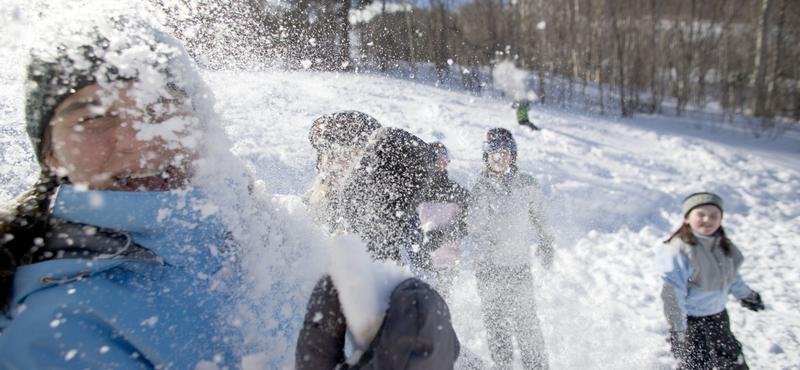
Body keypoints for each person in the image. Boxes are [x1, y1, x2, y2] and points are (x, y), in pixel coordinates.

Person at [0, 15, 320, 369]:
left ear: (202, 124)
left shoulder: (260, 228)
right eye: (94, 118)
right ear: (50, 153)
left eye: (160, 107)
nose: (139, 140)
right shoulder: (54, 334)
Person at [296, 128, 460, 369]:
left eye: (353, 155)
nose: (338, 163)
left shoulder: (401, 293)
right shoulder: (304, 220)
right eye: (330, 153)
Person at [468, 128, 554, 370]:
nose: (500, 158)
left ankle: (537, 366)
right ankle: (503, 366)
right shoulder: (480, 190)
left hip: (519, 266)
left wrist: (546, 241)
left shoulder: (527, 184)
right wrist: (486, 264)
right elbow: (476, 232)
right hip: (490, 270)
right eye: (494, 154)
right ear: (486, 157)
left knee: (527, 322)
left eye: (505, 153)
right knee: (496, 324)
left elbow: (540, 216)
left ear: (513, 156)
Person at [656, 192, 765, 370]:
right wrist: (677, 328)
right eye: (701, 214)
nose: (708, 219)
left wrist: (746, 294)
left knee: (732, 359)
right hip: (691, 321)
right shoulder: (678, 249)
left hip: (718, 315)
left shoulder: (721, 245)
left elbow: (731, 276)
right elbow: (671, 291)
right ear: (687, 219)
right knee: (697, 364)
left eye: (714, 215)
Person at [304, 111, 382, 234]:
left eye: (344, 156)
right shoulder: (306, 208)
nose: (332, 164)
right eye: (328, 155)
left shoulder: (388, 210)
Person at [417, 142, 469, 302]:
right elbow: (406, 224)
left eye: (441, 158)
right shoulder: (415, 190)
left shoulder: (456, 191)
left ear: (446, 162)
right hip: (420, 261)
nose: (436, 162)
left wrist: (444, 234)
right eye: (432, 157)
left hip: (448, 261)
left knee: (441, 307)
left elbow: (466, 224)